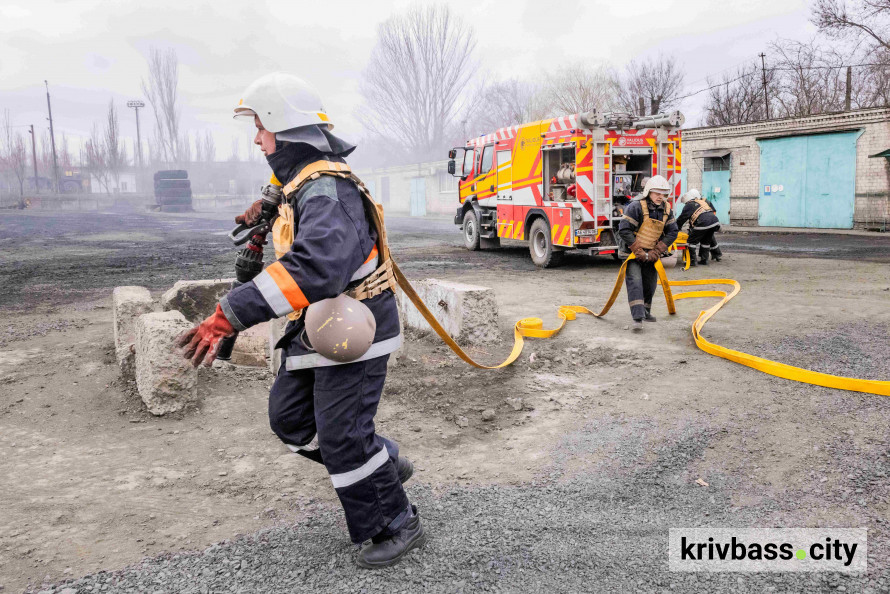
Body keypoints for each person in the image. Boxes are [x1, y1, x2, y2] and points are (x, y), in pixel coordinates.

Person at [174, 73, 424, 568]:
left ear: (285, 129)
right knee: (289, 421)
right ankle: (384, 463)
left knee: (342, 436)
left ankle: (395, 521)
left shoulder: (327, 190)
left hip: (356, 328)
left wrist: (230, 315)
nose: (257, 139)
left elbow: (314, 267)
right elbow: (286, 186)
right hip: (320, 324)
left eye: (262, 128)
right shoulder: (303, 178)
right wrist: (270, 201)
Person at [617, 175, 679, 330]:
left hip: (652, 253)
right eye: (657, 192)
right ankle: (637, 318)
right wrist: (637, 250)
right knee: (635, 282)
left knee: (650, 283)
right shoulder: (636, 206)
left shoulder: (666, 209)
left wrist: (656, 251)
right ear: (648, 192)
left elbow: (673, 232)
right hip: (631, 254)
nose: (660, 196)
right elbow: (624, 229)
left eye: (663, 193)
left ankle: (646, 311)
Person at [676, 189, 722, 266]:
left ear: (688, 200)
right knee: (706, 241)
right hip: (715, 222)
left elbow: (682, 219)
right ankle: (704, 260)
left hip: (703, 223)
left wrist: (676, 228)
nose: (685, 204)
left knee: (691, 241)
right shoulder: (702, 202)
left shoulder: (689, 205)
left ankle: (692, 261)